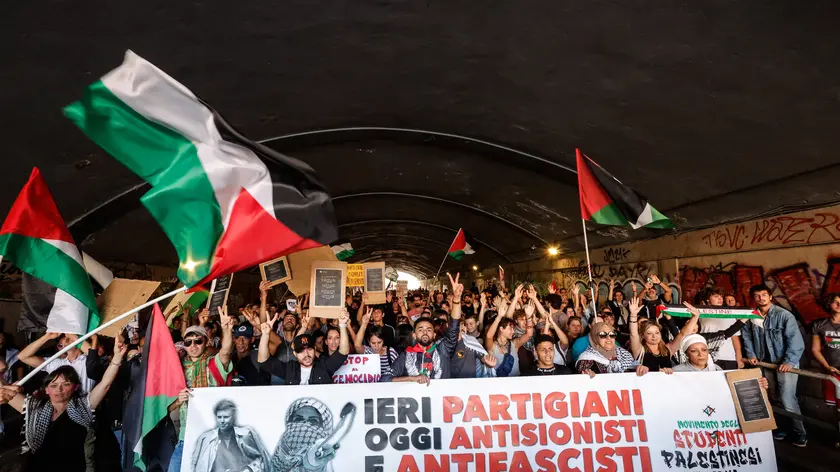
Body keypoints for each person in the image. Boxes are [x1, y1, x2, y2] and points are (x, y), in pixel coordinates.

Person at [6, 335, 126, 472]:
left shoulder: (83, 406)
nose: (59, 389)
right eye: (54, 385)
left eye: (66, 384)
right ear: (47, 389)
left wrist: (117, 357)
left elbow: (105, 384)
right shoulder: (35, 408)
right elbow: (5, 392)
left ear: (75, 387)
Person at [168, 306, 236, 472]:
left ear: (206, 342)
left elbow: (225, 353)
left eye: (198, 341)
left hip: (212, 436)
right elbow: (165, 407)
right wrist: (178, 401)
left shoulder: (212, 364)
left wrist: (227, 331)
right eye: (188, 342)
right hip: (185, 436)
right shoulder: (177, 369)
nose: (193, 345)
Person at [741, 284, 807, 447]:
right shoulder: (752, 316)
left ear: (770, 296)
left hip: (784, 364)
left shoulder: (784, 315)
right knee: (773, 397)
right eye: (757, 296)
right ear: (753, 298)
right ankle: (782, 428)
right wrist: (751, 355)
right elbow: (747, 336)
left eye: (764, 294)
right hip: (765, 363)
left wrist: (789, 361)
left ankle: (800, 433)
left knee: (787, 399)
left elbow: (795, 340)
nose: (761, 298)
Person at [388, 273, 463, 383]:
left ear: (434, 334)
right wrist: (412, 379)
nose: (425, 332)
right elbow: (385, 378)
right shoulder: (406, 355)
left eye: (429, 329)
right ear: (414, 335)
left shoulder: (443, 349)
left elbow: (454, 328)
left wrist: (456, 299)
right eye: (420, 329)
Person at [258, 310, 350, 385]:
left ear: (315, 349)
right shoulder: (290, 369)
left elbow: (343, 352)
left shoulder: (324, 366)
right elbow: (263, 361)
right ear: (295, 354)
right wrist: (265, 335)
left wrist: (342, 325)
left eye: (309, 349)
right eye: (301, 351)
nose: (306, 354)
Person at [271, 398, 353, 472]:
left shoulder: (324, 453)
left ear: (322, 426)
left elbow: (315, 457)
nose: (305, 424)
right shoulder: (275, 454)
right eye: (298, 419)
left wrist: (311, 461)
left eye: (313, 421)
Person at [190, 399, 270, 472]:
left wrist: (249, 469)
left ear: (233, 418)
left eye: (226, 417)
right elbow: (196, 465)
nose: (222, 421)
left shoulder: (245, 435)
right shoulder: (206, 439)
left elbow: (258, 459)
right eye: (219, 417)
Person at [628, 298, 700, 373]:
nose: (654, 336)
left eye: (657, 332)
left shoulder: (667, 350)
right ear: (643, 335)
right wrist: (633, 315)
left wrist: (695, 317)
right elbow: (633, 334)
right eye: (649, 333)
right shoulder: (639, 350)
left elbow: (683, 334)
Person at [19, 332, 95, 392]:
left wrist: (73, 336)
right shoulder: (57, 364)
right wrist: (46, 337)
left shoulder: (87, 360)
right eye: (60, 345)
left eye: (68, 338)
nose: (65, 342)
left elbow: (93, 355)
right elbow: (23, 357)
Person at [485, 284, 534, 377]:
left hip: (516, 383)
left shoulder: (514, 344)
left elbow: (529, 334)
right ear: (501, 329)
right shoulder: (493, 346)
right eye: (510, 328)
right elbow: (489, 336)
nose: (513, 331)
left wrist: (529, 317)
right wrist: (499, 317)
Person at [575, 321, 648, 377]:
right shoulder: (587, 358)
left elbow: (635, 366)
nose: (608, 338)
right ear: (594, 337)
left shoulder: (624, 354)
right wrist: (587, 375)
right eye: (603, 334)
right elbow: (583, 377)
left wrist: (640, 368)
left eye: (612, 334)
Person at [702, 287, 745, 370]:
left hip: (729, 357)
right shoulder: (700, 316)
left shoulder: (729, 315)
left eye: (721, 296)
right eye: (716, 296)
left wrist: (739, 358)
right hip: (708, 357)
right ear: (707, 300)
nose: (720, 299)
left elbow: (735, 338)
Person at [811, 293, 840, 410]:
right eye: (836, 302)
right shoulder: (819, 325)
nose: (839, 305)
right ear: (829, 304)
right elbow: (815, 349)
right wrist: (827, 366)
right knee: (834, 407)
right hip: (831, 370)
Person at [355, 309, 399, 379]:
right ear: (369, 342)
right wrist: (364, 324)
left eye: (379, 342)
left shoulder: (391, 352)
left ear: (383, 341)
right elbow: (357, 345)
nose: (376, 346)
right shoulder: (368, 351)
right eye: (373, 343)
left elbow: (399, 371)